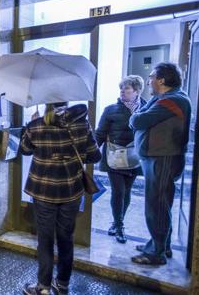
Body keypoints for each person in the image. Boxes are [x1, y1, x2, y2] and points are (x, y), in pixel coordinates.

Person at [21, 102, 101, 295]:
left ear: (48, 103)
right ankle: (63, 284)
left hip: (43, 191)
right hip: (71, 191)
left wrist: (29, 126)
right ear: (66, 102)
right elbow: (95, 156)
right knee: (66, 238)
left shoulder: (37, 125)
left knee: (45, 239)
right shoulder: (82, 125)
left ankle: (43, 287)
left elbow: (25, 149)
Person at [129, 62, 191, 265]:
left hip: (162, 159)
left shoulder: (172, 100)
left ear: (162, 80)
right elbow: (140, 114)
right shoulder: (162, 98)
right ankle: (160, 244)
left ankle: (157, 253)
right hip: (157, 158)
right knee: (160, 204)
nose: (148, 81)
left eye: (152, 77)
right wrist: (138, 114)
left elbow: (137, 121)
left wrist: (135, 117)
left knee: (156, 205)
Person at [95, 75, 146, 243]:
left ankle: (117, 222)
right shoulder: (111, 110)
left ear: (137, 91)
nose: (122, 92)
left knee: (127, 192)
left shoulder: (147, 108)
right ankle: (119, 226)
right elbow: (100, 133)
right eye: (121, 89)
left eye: (127, 89)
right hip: (114, 157)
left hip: (135, 158)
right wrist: (92, 152)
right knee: (118, 192)